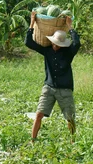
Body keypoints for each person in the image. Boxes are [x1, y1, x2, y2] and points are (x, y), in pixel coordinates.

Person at [25, 11, 81, 142]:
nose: (55, 46)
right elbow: (28, 42)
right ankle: (33, 140)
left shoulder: (68, 53)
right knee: (39, 114)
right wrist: (32, 22)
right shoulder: (47, 50)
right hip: (49, 87)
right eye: (54, 43)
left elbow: (77, 43)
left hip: (65, 89)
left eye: (58, 44)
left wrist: (70, 27)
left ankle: (73, 141)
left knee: (70, 117)